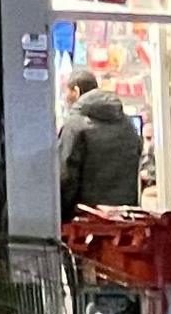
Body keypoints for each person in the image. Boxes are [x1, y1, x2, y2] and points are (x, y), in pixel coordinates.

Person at [56, 71, 143, 216]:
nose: (66, 99)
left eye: (67, 93)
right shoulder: (128, 125)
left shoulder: (74, 126)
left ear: (76, 91)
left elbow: (66, 176)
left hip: (86, 220)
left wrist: (61, 214)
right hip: (124, 218)